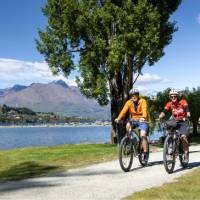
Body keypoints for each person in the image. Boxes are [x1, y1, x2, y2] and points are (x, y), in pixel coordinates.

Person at [115, 88, 149, 160]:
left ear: (138, 95)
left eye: (135, 95)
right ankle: (132, 141)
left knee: (142, 135)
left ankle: (145, 153)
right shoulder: (128, 102)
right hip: (134, 120)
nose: (133, 97)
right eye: (132, 95)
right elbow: (123, 111)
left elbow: (144, 110)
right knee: (128, 125)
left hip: (143, 120)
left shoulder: (143, 101)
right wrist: (118, 118)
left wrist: (143, 117)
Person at [159, 89, 191, 162]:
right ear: (170, 97)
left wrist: (188, 113)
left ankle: (186, 153)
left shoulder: (182, 102)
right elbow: (165, 111)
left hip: (183, 121)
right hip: (175, 121)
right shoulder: (169, 104)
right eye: (171, 96)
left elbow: (186, 108)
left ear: (178, 96)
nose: (173, 97)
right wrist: (160, 116)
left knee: (183, 137)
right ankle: (171, 148)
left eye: (175, 96)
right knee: (171, 133)